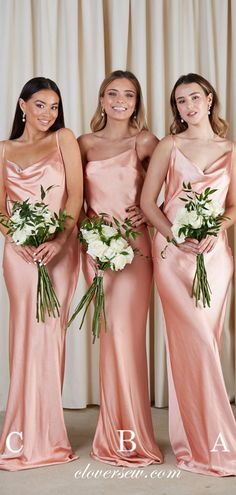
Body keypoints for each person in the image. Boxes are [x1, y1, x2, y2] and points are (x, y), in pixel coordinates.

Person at [141, 73, 236, 476]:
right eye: (180, 102)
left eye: (194, 98)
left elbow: (233, 207)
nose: (188, 107)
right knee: (191, 342)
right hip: (173, 257)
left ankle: (202, 435)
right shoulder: (170, 145)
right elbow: (148, 203)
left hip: (214, 260)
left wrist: (217, 227)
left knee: (207, 344)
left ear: (209, 99)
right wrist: (175, 237)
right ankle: (208, 438)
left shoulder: (230, 149)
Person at [78, 70, 163, 466]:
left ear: (136, 102)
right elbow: (73, 200)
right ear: (101, 98)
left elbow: (173, 187)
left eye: (128, 95)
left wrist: (150, 214)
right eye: (112, 93)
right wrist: (86, 236)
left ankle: (132, 435)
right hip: (95, 251)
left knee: (128, 336)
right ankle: (112, 433)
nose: (119, 101)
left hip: (135, 249)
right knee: (109, 336)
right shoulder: (84, 143)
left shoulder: (145, 141)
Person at [0, 77, 83, 470]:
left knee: (50, 335)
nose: (48, 113)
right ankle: (19, 434)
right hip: (18, 254)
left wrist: (61, 240)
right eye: (40, 105)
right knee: (23, 336)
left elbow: (77, 196)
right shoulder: (4, 149)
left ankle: (48, 436)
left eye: (53, 106)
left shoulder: (64, 139)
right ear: (22, 105)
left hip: (59, 251)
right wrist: (17, 234)